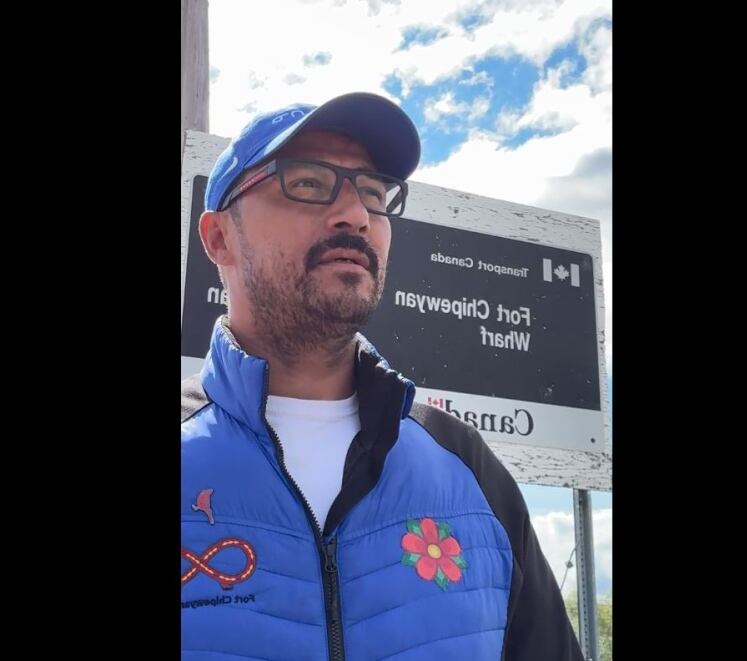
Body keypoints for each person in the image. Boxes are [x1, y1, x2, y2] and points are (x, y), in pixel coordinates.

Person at [181, 91, 584, 660]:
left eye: (373, 192)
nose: (356, 215)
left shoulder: (464, 463)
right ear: (219, 237)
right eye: (309, 183)